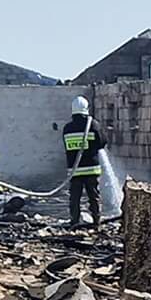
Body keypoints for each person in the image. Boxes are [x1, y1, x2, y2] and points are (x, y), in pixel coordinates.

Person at [62, 95, 108, 227]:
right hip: (91, 169)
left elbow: (67, 147)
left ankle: (74, 221)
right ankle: (96, 221)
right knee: (93, 196)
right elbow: (102, 142)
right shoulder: (93, 124)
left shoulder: (67, 128)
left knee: (74, 197)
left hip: (74, 170)